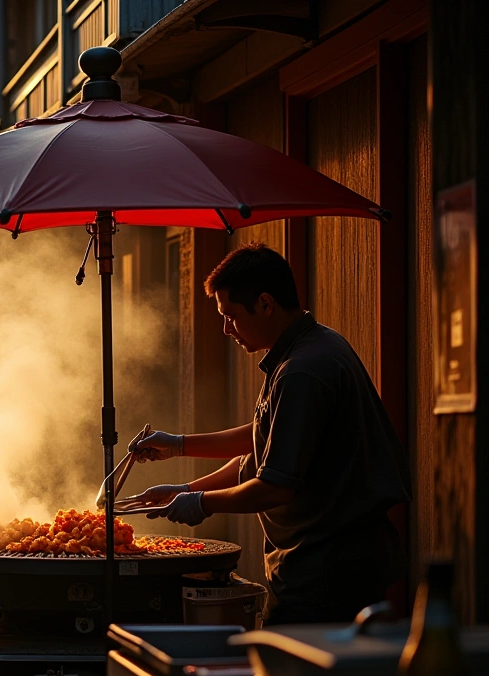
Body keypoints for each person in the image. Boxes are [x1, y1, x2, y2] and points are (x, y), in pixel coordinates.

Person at [128, 243, 408, 625]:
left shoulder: (303, 370)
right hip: (323, 566)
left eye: (231, 316)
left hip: (325, 573)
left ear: (264, 303)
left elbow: (275, 485)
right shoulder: (310, 347)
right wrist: (181, 464)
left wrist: (200, 503)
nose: (226, 329)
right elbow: (261, 442)